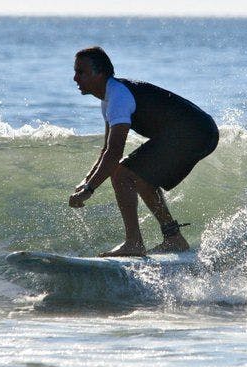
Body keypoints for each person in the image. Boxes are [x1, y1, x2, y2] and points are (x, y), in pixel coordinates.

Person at [69, 46, 219, 257]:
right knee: (138, 176)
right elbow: (106, 150)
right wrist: (86, 181)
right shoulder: (109, 99)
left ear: (100, 73)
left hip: (194, 132)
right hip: (198, 132)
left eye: (81, 72)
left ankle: (134, 243)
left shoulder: (118, 97)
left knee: (123, 173)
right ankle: (172, 238)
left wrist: (89, 190)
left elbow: (114, 153)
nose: (75, 78)